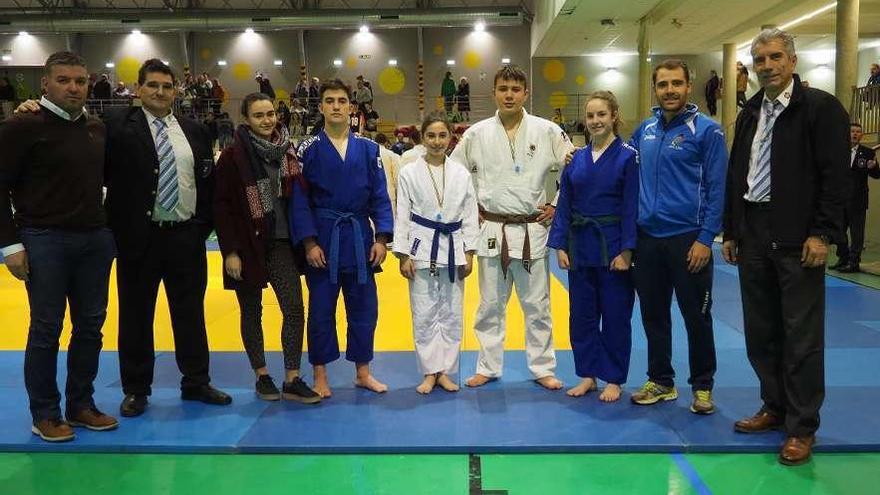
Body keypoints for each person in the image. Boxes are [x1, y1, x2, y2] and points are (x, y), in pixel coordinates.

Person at [722, 28, 849, 466]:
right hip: (753, 227)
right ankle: (773, 407)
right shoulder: (750, 111)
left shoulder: (819, 108)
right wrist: (732, 230)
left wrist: (823, 232)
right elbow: (738, 173)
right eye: (760, 60)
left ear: (792, 61)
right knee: (761, 330)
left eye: (776, 57)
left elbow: (837, 177)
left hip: (798, 233)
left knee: (801, 335)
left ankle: (801, 427)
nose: (768, 66)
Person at [1, 51, 118, 442]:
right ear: (45, 84)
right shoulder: (21, 126)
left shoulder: (96, 127)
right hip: (43, 239)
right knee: (46, 329)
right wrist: (9, 245)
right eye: (64, 80)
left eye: (80, 81)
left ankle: (80, 405)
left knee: (91, 327)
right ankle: (45, 413)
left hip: (94, 239)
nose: (73, 87)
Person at [105, 60, 231, 416]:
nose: (160, 92)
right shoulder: (116, 124)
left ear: (176, 90)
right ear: (138, 88)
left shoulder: (194, 130)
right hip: (138, 237)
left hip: (185, 237)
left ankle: (196, 381)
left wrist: (200, 225)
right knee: (135, 315)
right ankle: (136, 388)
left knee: (191, 314)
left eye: (166, 86)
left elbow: (206, 182)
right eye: (152, 85)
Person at [450, 64, 574, 390]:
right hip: (492, 230)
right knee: (490, 305)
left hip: (533, 229)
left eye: (515, 89)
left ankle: (542, 367)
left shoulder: (548, 130)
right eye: (503, 89)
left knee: (537, 305)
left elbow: (576, 169)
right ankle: (488, 366)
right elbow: (455, 174)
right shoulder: (476, 133)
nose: (509, 95)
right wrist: (469, 209)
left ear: (525, 93)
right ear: (494, 92)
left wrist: (557, 205)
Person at [628, 59, 727, 414]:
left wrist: (706, 238)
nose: (669, 90)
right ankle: (661, 381)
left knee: (696, 317)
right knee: (654, 315)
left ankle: (702, 386)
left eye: (676, 84)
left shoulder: (707, 131)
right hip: (648, 240)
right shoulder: (644, 131)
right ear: (655, 89)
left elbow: (718, 189)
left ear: (688, 87)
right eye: (663, 84)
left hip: (689, 240)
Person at [213, 92, 321, 404]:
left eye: (270, 113)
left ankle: (292, 377)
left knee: (294, 308)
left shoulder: (289, 152)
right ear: (246, 119)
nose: (267, 120)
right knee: (251, 310)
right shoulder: (233, 157)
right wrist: (230, 251)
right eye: (259, 115)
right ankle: (261, 375)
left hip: (282, 243)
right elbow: (222, 207)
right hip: (246, 246)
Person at [289, 79, 394, 398]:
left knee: (364, 308)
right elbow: (298, 199)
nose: (336, 105)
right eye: (329, 100)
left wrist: (382, 237)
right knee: (321, 310)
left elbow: (380, 195)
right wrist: (309, 242)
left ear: (352, 107)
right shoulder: (306, 149)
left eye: (342, 101)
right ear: (320, 107)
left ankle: (363, 371)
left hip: (360, 237)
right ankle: (320, 374)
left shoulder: (369, 149)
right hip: (325, 237)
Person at [548, 91, 638, 403]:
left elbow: (631, 206)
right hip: (581, 246)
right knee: (582, 315)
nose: (596, 121)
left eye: (602, 115)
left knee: (615, 314)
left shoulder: (628, 156)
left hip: (613, 246)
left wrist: (627, 250)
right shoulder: (576, 159)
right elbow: (565, 204)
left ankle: (613, 377)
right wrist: (559, 244)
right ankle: (587, 374)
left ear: (614, 116)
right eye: (590, 116)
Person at [394, 113, 479, 394]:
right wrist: (403, 254)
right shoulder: (409, 172)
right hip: (421, 246)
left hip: (454, 246)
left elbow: (469, 214)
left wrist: (470, 251)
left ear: (451, 138)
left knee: (452, 312)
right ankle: (430, 372)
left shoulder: (461, 173)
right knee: (424, 312)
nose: (437, 141)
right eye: (431, 135)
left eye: (442, 135)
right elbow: (403, 213)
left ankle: (445, 371)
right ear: (422, 137)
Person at [832, 123, 880, 273]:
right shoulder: (838, 151)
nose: (855, 134)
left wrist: (874, 167)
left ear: (862, 135)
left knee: (856, 234)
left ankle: (854, 262)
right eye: (852, 131)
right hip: (840, 199)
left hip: (858, 200)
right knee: (838, 232)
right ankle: (843, 258)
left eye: (858, 132)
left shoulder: (867, 153)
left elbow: (876, 175)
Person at [374, 132, 401, 214]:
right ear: (386, 142)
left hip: (372, 194)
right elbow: (397, 177)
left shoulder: (368, 154)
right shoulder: (392, 155)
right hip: (388, 193)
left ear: (374, 141)